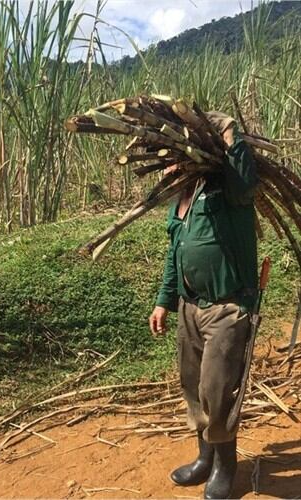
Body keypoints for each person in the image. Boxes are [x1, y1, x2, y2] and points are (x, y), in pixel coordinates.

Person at [149, 114, 255, 499]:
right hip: (189, 309)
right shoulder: (182, 200)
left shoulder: (226, 190)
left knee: (217, 388)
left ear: (192, 157)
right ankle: (205, 458)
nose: (171, 168)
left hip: (227, 308)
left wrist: (229, 132)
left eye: (176, 160)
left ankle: (226, 466)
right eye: (168, 162)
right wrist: (164, 302)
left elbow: (246, 185)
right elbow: (174, 255)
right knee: (192, 386)